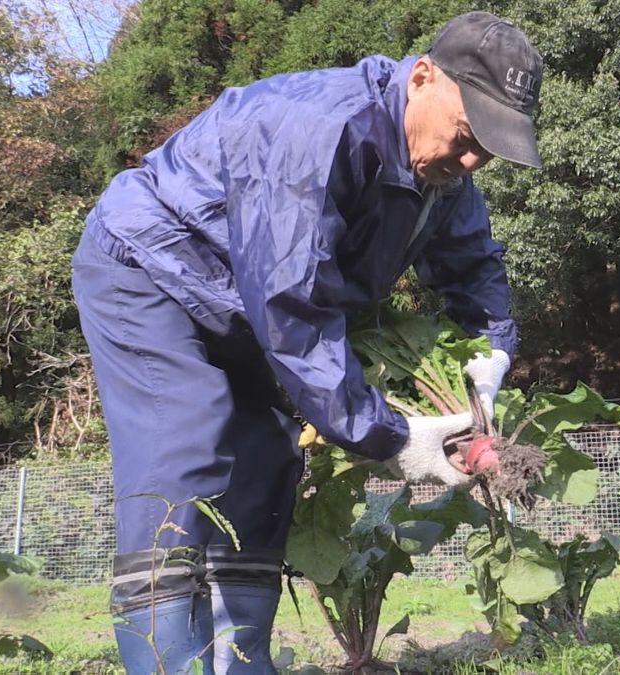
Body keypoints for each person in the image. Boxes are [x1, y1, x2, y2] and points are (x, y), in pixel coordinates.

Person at [70, 11, 543, 674]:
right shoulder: (319, 131)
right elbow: (293, 308)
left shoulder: (444, 179)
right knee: (185, 451)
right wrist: (396, 438)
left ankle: (244, 662)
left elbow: (473, 267)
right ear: (424, 76)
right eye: (468, 136)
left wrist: (488, 357)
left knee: (267, 462)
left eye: (489, 149)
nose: (472, 160)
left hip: (244, 306)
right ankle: (168, 661)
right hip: (152, 270)